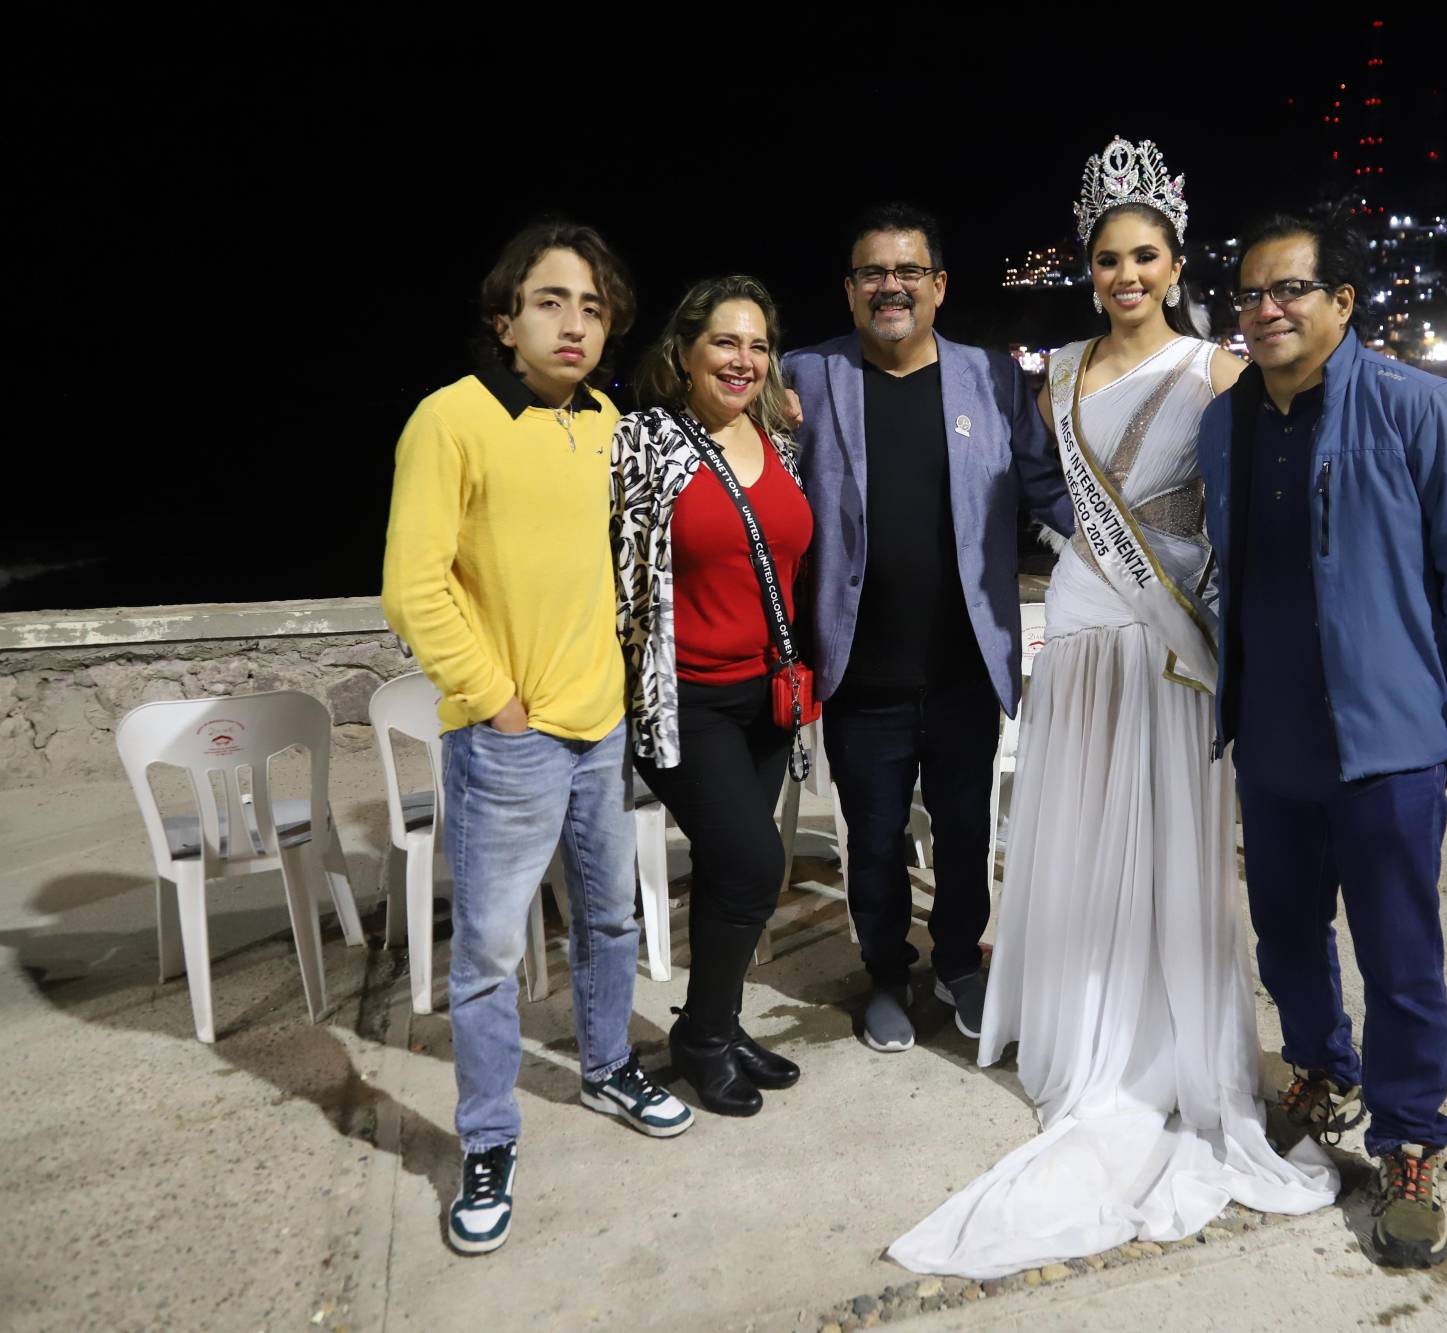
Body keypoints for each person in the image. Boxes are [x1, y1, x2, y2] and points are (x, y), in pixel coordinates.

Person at [889, 139, 1338, 1280]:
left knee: (1169, 838)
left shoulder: (1217, 371)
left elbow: (1246, 519)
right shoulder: (1055, 371)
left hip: (1172, 639)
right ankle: (1080, 1026)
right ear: (1086, 268)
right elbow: (1036, 495)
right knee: (1082, 830)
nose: (1122, 275)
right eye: (1104, 259)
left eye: (1142, 256)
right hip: (1084, 627)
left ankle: (1162, 1045)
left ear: (1175, 261)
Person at [1199, 206, 1447, 1268]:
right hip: (1270, 730)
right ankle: (1319, 1066)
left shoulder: (1419, 408)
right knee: (1286, 933)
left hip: (1385, 739)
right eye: (1250, 291)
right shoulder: (1225, 424)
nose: (1266, 308)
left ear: (1342, 301)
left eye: (1289, 288)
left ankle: (1408, 1140)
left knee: (1397, 954)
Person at [381, 220, 693, 1258]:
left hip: (600, 729)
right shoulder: (452, 419)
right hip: (509, 740)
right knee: (485, 958)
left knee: (608, 925)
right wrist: (492, 696)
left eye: (593, 307)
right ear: (504, 316)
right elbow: (413, 582)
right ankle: (485, 1139)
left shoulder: (609, 420)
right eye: (551, 301)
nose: (574, 323)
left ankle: (604, 1068)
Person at [781, 204, 1072, 1052]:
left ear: (939, 287)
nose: (891, 286)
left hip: (963, 666)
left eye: (909, 271)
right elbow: (754, 482)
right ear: (848, 289)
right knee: (870, 839)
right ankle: (883, 974)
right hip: (858, 668)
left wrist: (1125, 547)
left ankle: (957, 962)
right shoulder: (805, 374)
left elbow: (1045, 488)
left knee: (964, 827)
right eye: (873, 272)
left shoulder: (990, 377)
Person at [613, 275, 811, 1117]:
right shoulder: (645, 442)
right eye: (725, 342)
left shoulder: (778, 443)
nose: (744, 359)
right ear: (684, 353)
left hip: (763, 696)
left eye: (759, 344)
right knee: (756, 861)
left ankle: (717, 1026)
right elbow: (612, 576)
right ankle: (698, 1036)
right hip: (684, 698)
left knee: (734, 876)